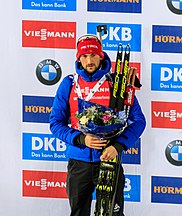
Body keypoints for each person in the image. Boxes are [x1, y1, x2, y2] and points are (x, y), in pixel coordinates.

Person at [49, 34, 146, 216]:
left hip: (109, 159)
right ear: (78, 58)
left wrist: (118, 146)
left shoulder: (117, 82)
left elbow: (139, 121)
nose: (89, 60)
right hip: (79, 162)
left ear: (101, 56)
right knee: (79, 212)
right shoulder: (69, 83)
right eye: (84, 56)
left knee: (111, 213)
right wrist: (80, 139)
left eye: (93, 55)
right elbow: (55, 123)